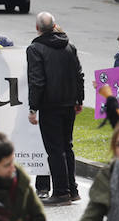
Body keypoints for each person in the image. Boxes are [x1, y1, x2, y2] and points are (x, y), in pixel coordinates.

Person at [26, 12, 84, 205]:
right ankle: (72, 189)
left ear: (37, 28)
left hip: (49, 105)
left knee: (55, 150)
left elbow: (37, 80)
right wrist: (79, 99)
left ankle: (60, 192)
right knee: (67, 146)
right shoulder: (69, 46)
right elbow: (78, 75)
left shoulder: (35, 48)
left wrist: (33, 107)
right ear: (55, 26)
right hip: (68, 103)